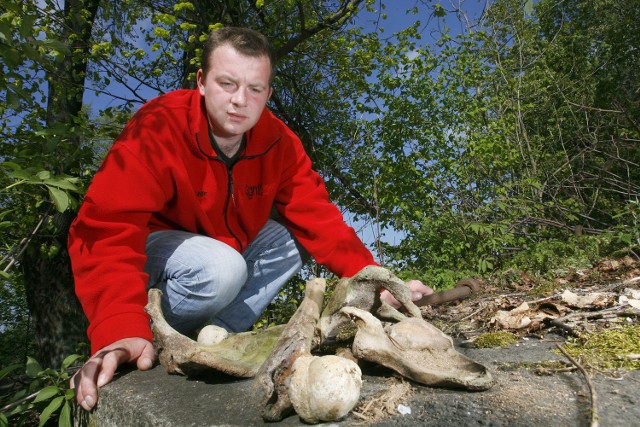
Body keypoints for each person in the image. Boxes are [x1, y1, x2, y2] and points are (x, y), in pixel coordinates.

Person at [68, 27, 432, 411]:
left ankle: (218, 337)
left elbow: (320, 219)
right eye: (227, 83)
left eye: (255, 89)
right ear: (202, 82)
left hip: (221, 255)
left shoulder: (278, 142)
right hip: (160, 253)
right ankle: (153, 331)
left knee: (290, 239)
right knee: (219, 268)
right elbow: (106, 228)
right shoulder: (159, 126)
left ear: (268, 95)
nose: (240, 100)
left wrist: (375, 281)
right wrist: (119, 325)